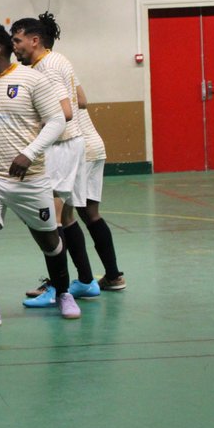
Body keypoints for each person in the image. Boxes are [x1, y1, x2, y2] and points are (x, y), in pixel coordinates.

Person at [0, 23, 76, 331]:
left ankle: (63, 293)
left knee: (49, 240)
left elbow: (57, 119)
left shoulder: (32, 79)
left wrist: (29, 153)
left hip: (29, 179)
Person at [11, 14, 99, 308]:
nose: (14, 47)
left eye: (17, 41)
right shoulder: (58, 60)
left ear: (34, 40)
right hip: (72, 145)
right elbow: (80, 101)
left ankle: (57, 288)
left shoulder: (46, 68)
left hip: (60, 147)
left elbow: (66, 112)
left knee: (52, 220)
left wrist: (31, 140)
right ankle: (86, 281)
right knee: (69, 218)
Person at [72, 84, 126, 290]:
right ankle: (113, 276)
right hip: (94, 145)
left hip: (78, 149)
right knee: (90, 215)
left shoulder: (44, 69)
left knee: (61, 217)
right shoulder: (65, 67)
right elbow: (82, 99)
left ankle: (69, 283)